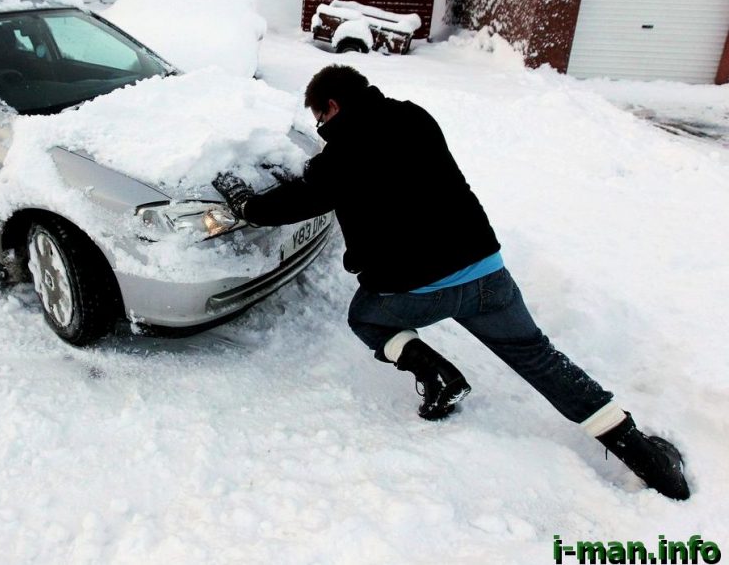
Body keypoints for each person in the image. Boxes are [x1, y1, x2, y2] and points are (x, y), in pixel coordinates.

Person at [212, 65, 690, 500]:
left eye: (320, 117)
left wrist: (246, 204)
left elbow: (300, 199)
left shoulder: (343, 156)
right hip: (485, 271)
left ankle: (438, 376)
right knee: (537, 357)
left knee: (365, 316)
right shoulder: (415, 118)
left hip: (418, 288)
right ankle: (645, 457)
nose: (320, 128)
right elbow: (343, 174)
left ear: (331, 106)